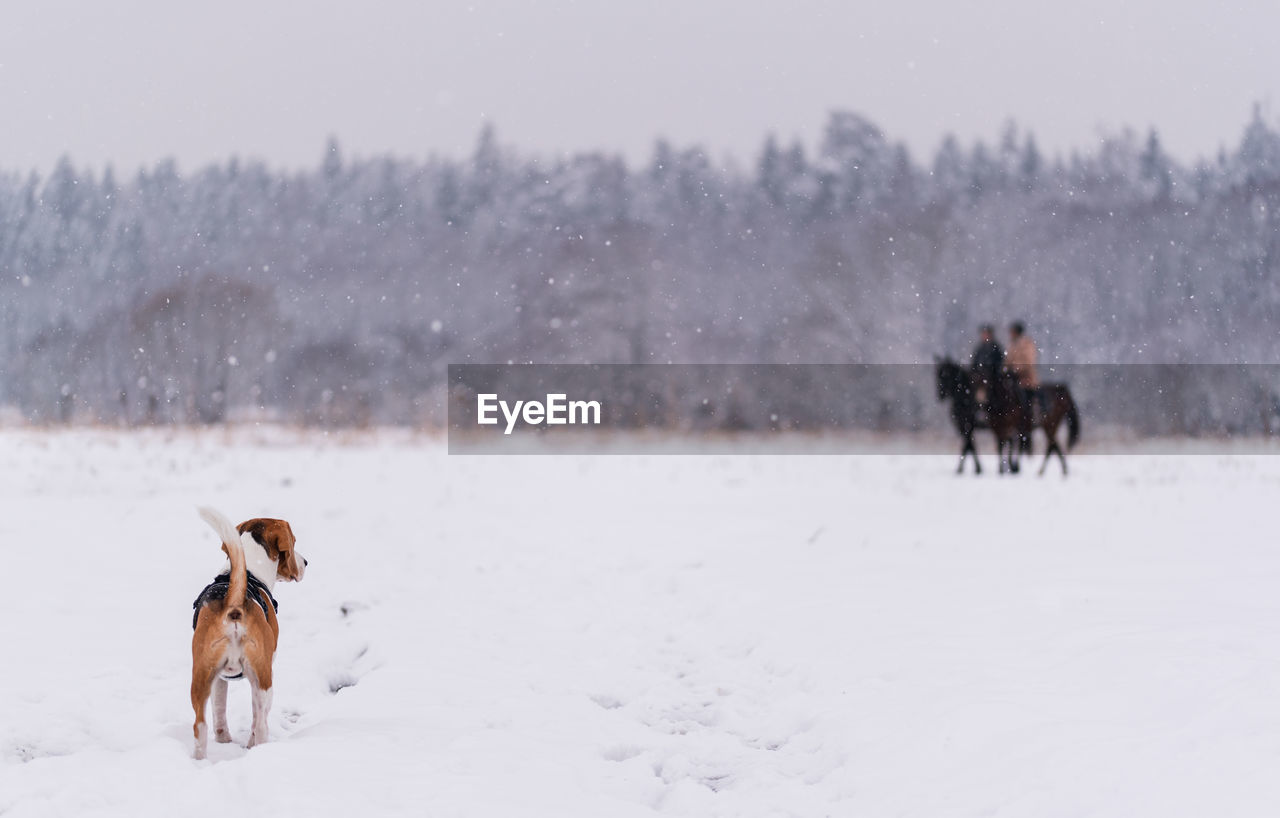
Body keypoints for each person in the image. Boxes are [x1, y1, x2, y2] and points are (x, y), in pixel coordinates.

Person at [1005, 320, 1040, 421]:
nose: (1010, 334)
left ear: (1016, 332)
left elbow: (1029, 361)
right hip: (1013, 377)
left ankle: (1031, 415)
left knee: (1025, 396)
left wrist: (1016, 369)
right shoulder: (1012, 345)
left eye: (1012, 332)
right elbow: (1008, 360)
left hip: (1026, 377)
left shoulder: (1027, 344)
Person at [970, 324, 1003, 399]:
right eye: (983, 334)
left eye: (986, 334)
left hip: (991, 376)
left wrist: (992, 370)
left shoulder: (995, 347)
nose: (984, 336)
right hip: (980, 376)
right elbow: (974, 362)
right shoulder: (980, 348)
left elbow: (999, 361)